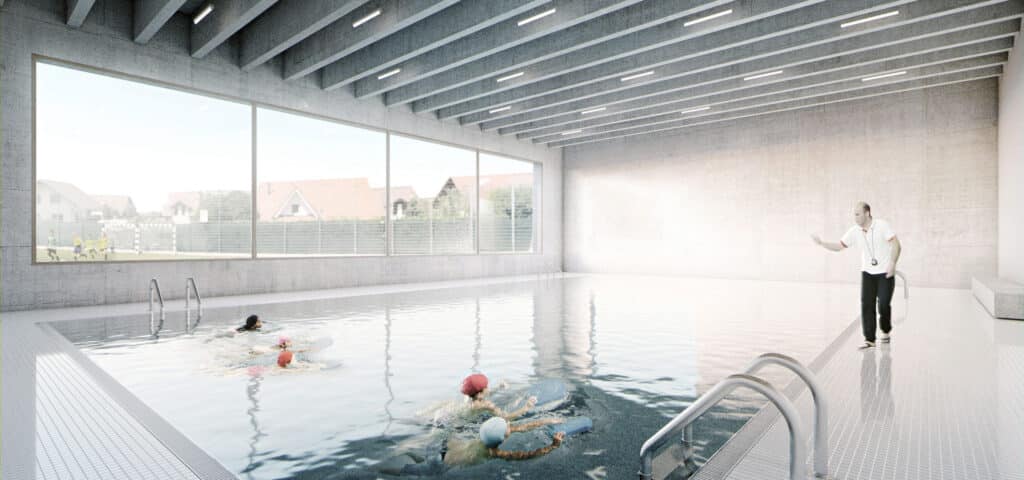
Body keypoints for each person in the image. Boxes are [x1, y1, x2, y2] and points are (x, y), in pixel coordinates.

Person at [812, 202, 902, 349]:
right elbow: (839, 246)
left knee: (884, 304)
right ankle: (870, 339)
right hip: (867, 273)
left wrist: (892, 263)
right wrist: (822, 243)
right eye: (854, 214)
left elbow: (897, 245)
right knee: (867, 305)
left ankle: (885, 330)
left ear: (867, 213)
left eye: (857, 214)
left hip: (885, 272)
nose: (855, 217)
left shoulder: (882, 226)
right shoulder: (854, 231)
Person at [442, 416, 565, 466]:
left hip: (448, 449)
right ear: (503, 438)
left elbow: (522, 427)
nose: (509, 425)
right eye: (507, 426)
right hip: (443, 465)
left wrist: (547, 421)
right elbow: (526, 456)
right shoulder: (493, 452)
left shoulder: (485, 435)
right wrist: (553, 446)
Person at [461, 373, 536, 419]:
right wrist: (526, 407)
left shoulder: (468, 398)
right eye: (486, 387)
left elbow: (487, 393)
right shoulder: (487, 405)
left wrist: (498, 387)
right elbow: (505, 417)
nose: (488, 388)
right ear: (480, 394)